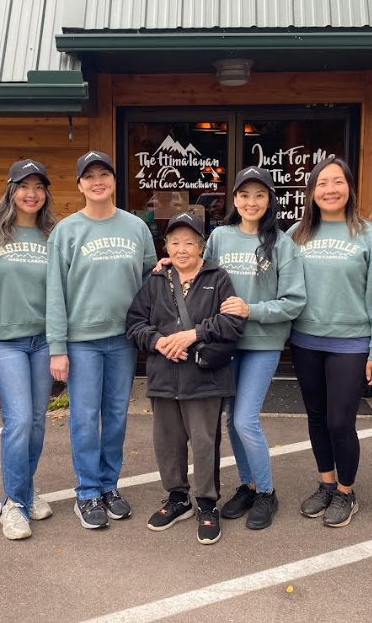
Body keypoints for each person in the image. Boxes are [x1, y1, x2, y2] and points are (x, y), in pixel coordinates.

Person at [46, 150, 157, 529]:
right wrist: (57, 347)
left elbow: (149, 283)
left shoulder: (135, 228)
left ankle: (110, 486)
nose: (98, 181)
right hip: (82, 341)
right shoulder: (67, 231)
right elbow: (55, 293)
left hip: (123, 340)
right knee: (83, 417)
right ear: (79, 185)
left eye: (104, 174)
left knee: (115, 417)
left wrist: (150, 332)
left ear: (114, 181)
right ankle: (87, 492)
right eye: (89, 176)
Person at [126, 212, 245, 545]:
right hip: (164, 377)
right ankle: (177, 499)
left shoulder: (218, 278)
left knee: (205, 443)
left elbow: (233, 324)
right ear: (166, 246)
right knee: (168, 443)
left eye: (189, 242)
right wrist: (159, 341)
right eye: (174, 242)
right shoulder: (156, 280)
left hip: (204, 378)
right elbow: (134, 323)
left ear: (201, 246)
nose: (181, 249)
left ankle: (207, 504)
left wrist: (193, 334)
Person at [288, 157, 372, 528]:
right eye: (322, 183)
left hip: (351, 342)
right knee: (316, 417)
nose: (330, 190)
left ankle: (347, 492)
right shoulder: (296, 235)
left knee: (339, 420)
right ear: (311, 192)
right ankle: (326, 483)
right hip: (305, 341)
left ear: (349, 187)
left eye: (337, 182)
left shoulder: (370, 236)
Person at [206, 167, 306, 530]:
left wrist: (253, 309)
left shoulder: (282, 244)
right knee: (231, 418)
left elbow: (294, 301)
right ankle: (247, 485)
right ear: (234, 199)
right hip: (225, 341)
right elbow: (202, 280)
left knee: (245, 418)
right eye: (244, 195)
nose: (252, 202)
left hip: (262, 343)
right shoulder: (219, 237)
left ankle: (266, 491)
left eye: (259, 195)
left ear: (269, 201)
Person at [0, 159, 57, 540]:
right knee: (20, 420)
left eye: (39, 186)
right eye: (24, 186)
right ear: (10, 191)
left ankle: (26, 489)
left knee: (39, 420)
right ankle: (12, 503)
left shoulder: (53, 235)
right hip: (5, 340)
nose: (32, 193)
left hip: (44, 340)